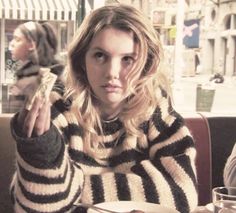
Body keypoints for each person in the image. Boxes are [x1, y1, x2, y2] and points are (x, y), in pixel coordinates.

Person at [10, 4, 198, 213]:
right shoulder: (56, 107)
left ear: (146, 64)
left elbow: (181, 195)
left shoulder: (157, 110)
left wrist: (73, 187)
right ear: (82, 60)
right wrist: (40, 148)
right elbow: (37, 206)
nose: (112, 72)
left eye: (128, 59)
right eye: (100, 56)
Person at [8, 21, 64, 112]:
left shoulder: (45, 77)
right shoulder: (26, 74)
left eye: (17, 39)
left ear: (31, 45)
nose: (12, 44)